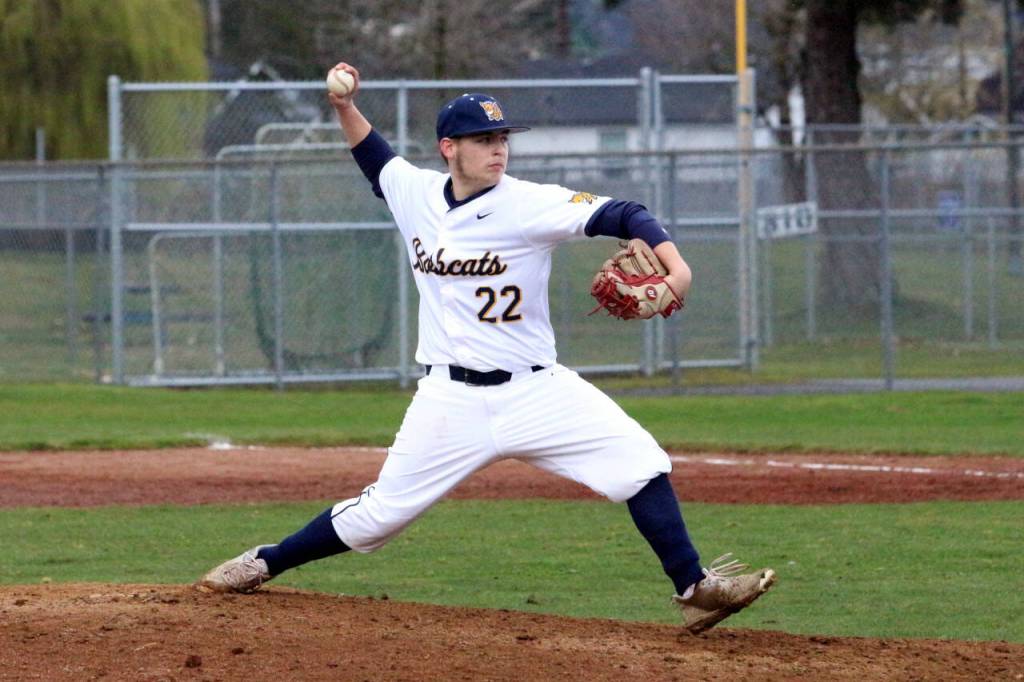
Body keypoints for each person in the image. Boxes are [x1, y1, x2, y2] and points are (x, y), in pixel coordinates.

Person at [197, 62, 776, 634]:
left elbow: (623, 212)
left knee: (641, 462)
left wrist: (676, 266)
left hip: (536, 389)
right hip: (450, 399)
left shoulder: (528, 203)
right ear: (449, 148)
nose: (498, 149)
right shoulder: (417, 194)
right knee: (378, 518)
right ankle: (265, 561)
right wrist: (344, 108)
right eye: (483, 139)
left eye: (502, 138)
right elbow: (375, 160)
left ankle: (695, 589)